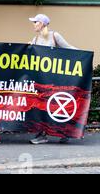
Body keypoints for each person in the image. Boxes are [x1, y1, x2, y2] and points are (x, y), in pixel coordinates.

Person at [28, 14, 77, 144]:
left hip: (55, 79)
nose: (33, 24)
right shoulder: (35, 39)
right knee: (41, 106)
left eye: (35, 22)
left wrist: (84, 54)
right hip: (42, 80)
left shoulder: (55, 35)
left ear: (42, 24)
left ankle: (64, 132)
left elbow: (68, 48)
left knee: (57, 105)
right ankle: (42, 134)